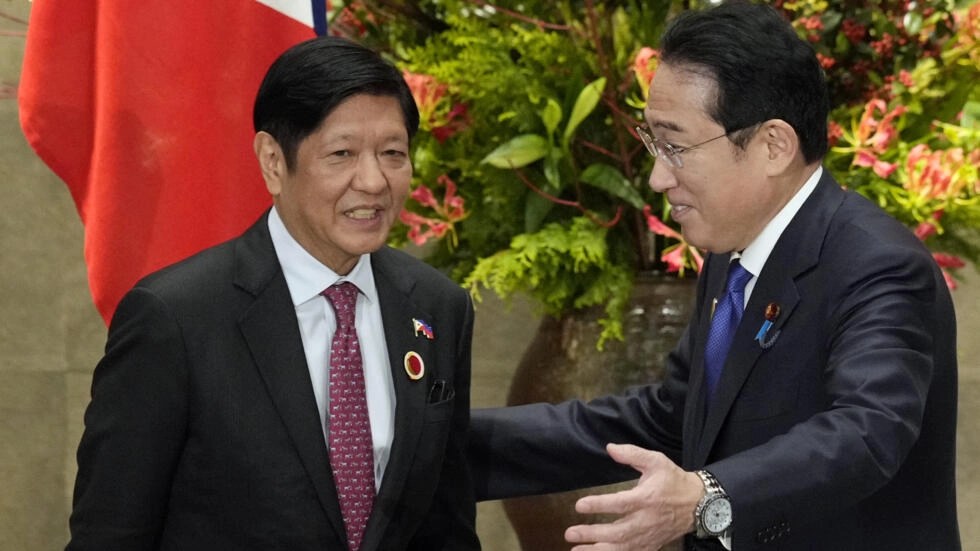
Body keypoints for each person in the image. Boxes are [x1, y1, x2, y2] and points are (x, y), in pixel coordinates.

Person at [468, 2, 960, 550]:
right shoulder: (734, 259)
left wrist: (706, 496)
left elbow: (867, 432)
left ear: (773, 146)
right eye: (654, 144)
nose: (657, 178)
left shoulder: (877, 265)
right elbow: (673, 419)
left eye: (675, 148)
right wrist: (437, 442)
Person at [66, 36, 480, 551]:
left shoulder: (438, 306)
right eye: (342, 154)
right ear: (273, 161)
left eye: (392, 154)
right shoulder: (175, 318)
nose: (374, 182)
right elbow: (110, 534)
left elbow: (447, 527)